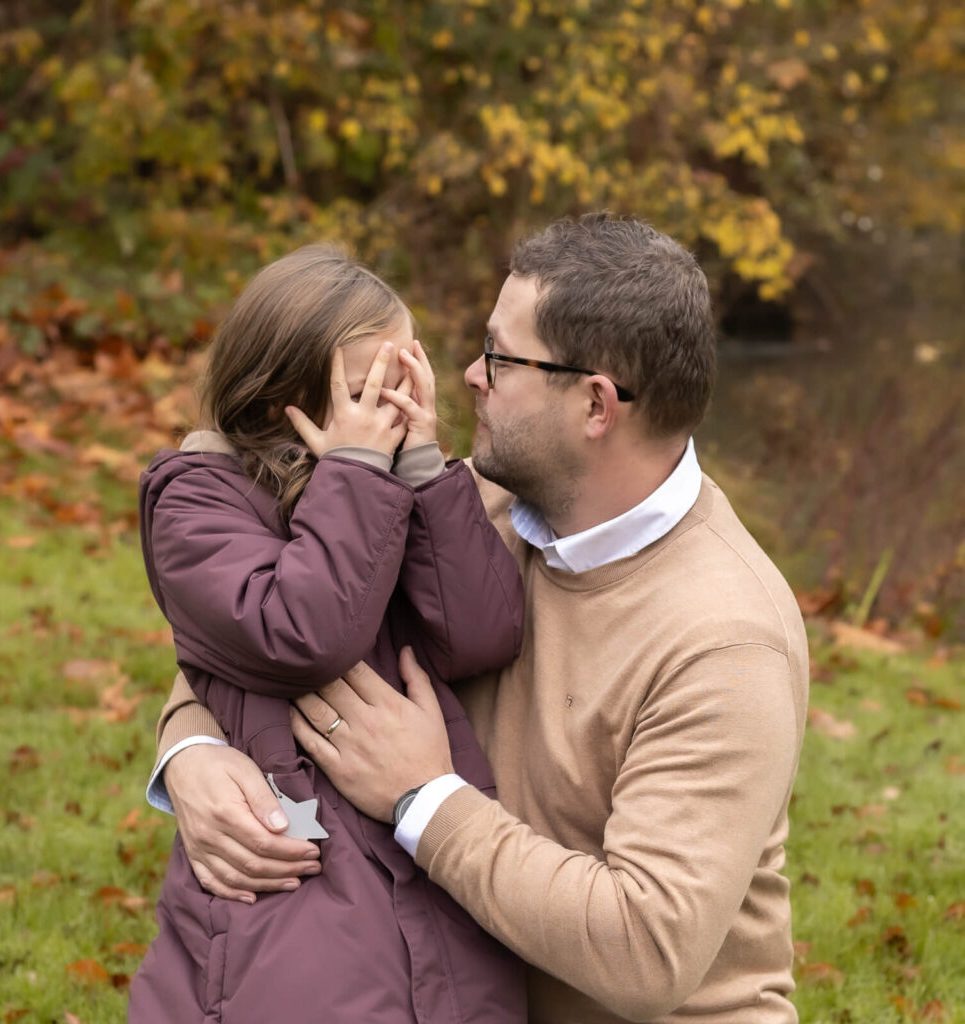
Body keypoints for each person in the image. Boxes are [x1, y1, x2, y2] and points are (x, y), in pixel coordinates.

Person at [153, 215, 809, 1023]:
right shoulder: (464, 508)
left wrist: (423, 798)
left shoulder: (725, 642)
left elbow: (646, 954)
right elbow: (276, 621)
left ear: (595, 404)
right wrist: (191, 751)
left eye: (499, 357)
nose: (467, 375)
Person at [129, 244, 526, 1023]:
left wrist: (422, 473)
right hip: (291, 876)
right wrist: (356, 471)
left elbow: (480, 635)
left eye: (405, 380)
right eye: (366, 390)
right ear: (285, 395)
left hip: (425, 855)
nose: (393, 409)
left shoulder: (391, 488)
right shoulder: (195, 500)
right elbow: (303, 634)